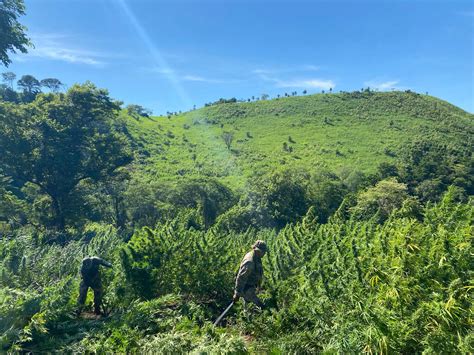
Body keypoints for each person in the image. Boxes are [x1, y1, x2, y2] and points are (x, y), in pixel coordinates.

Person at [233, 240, 267, 309]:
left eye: (264, 252)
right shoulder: (250, 262)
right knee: (261, 306)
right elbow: (241, 277)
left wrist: (259, 286)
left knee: (249, 306)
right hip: (246, 288)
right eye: (262, 252)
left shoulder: (257, 256)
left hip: (251, 285)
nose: (263, 254)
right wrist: (237, 293)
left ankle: (246, 312)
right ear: (256, 250)